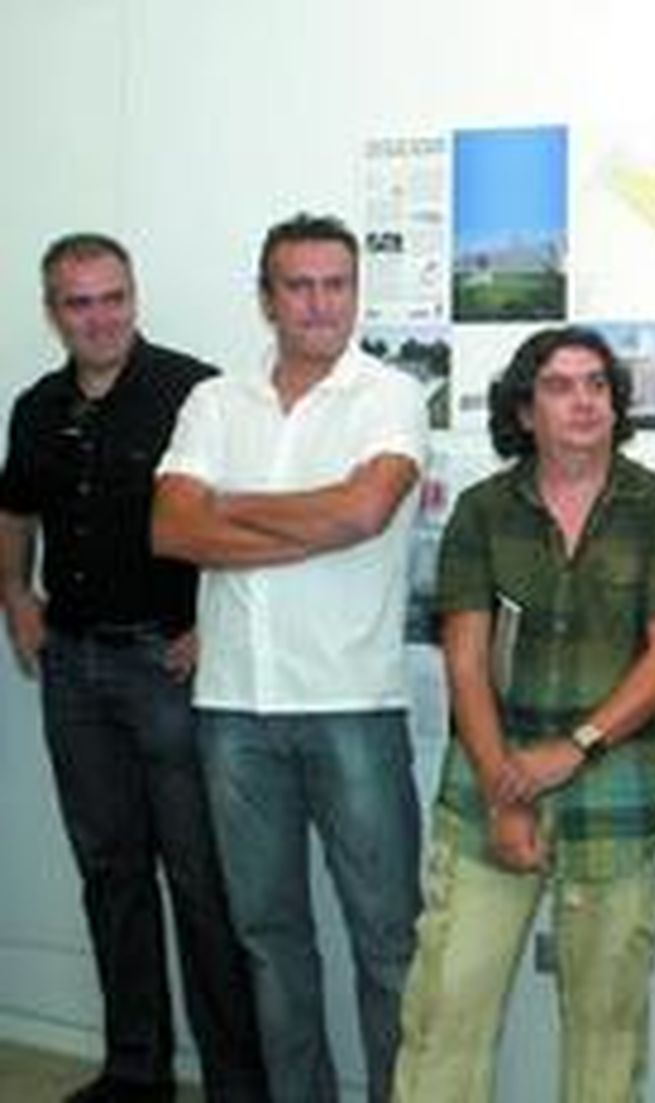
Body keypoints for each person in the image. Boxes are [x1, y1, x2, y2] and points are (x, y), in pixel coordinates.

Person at [392, 325, 655, 1102]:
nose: (583, 401)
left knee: (607, 1039)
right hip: (488, 788)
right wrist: (506, 791)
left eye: (597, 384)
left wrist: (576, 746)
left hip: (618, 798)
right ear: (524, 410)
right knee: (444, 1018)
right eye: (560, 386)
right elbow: (465, 660)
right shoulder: (482, 511)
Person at [150, 213, 427, 1103]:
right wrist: (311, 517)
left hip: (353, 705)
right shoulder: (214, 401)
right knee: (269, 939)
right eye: (298, 285)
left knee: (388, 939)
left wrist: (230, 506)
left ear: (355, 291)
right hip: (234, 706)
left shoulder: (390, 395)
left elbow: (364, 514)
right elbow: (170, 528)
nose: (319, 303)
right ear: (267, 298)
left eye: (336, 284)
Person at [0, 234, 265, 1103]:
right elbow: (14, 511)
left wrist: (214, 624)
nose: (100, 317)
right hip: (73, 669)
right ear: (53, 312)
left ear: (134, 297)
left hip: (170, 669)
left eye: (113, 297)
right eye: (79, 302)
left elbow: (237, 513)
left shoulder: (196, 392)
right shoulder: (36, 407)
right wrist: (16, 595)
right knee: (111, 874)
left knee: (201, 882)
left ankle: (236, 1083)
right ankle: (135, 1070)